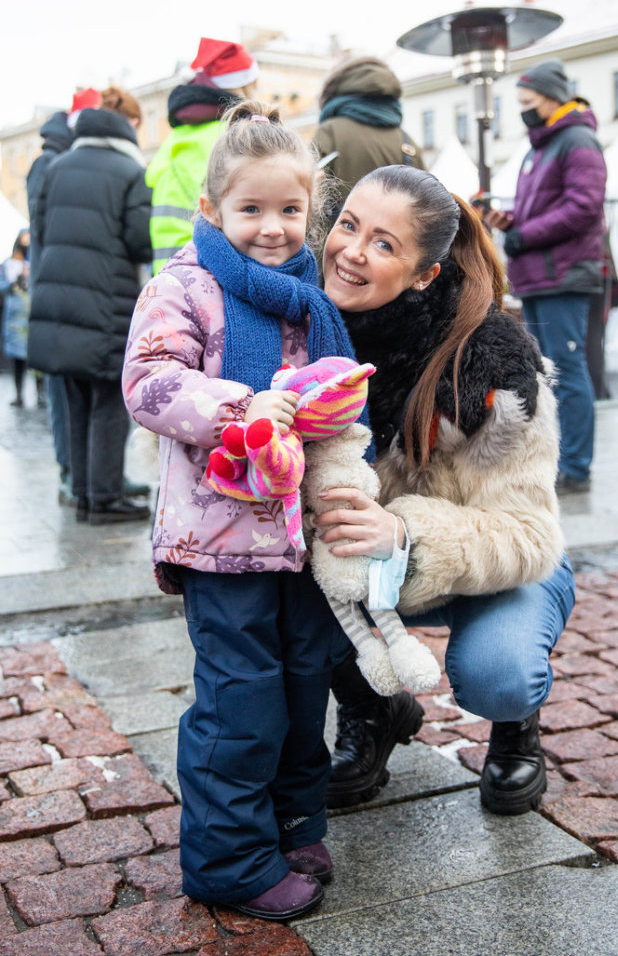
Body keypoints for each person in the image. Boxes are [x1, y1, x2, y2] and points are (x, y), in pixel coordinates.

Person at [122, 101, 364, 921]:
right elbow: (150, 382)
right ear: (211, 209)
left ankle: (291, 823)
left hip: (297, 538)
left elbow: (328, 400)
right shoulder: (182, 286)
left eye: (289, 210)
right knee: (241, 697)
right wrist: (244, 408)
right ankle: (227, 857)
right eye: (251, 209)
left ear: (311, 212)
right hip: (218, 538)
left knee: (305, 685)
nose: (271, 227)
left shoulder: (309, 296)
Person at [317, 164, 574, 818]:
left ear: (425, 272)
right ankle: (374, 709)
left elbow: (530, 534)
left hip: (500, 561)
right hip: (365, 567)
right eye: (349, 225)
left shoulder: (493, 361)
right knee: (278, 594)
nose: (351, 250)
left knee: (497, 670)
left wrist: (406, 530)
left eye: (383, 243)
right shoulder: (307, 332)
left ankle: (516, 724)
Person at [28, 86, 152, 525]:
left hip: (57, 300)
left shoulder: (56, 166)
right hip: (106, 302)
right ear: (126, 129)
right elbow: (141, 241)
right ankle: (105, 498)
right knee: (108, 401)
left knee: (77, 396)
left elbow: (40, 229)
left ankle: (82, 492)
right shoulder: (130, 170)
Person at [485, 58, 607, 495]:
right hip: (540, 276)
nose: (522, 109)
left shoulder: (577, 140)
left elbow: (584, 205)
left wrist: (523, 236)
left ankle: (576, 466)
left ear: (553, 97)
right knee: (551, 371)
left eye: (527, 101)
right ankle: (560, 459)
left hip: (564, 275)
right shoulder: (541, 146)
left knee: (569, 370)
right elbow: (548, 208)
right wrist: (511, 221)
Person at [26, 88, 99, 501]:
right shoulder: (49, 164)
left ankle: (84, 474)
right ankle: (69, 472)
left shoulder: (58, 160)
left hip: (69, 291)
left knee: (76, 392)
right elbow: (46, 235)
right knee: (63, 392)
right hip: (55, 294)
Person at [146, 37, 258, 273]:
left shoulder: (173, 140)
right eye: (254, 86)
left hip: (167, 275)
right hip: (211, 271)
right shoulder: (235, 135)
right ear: (244, 87)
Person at [312, 56, 424, 228]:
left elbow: (307, 193)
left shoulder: (330, 131)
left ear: (334, 88)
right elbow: (427, 208)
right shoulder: (408, 143)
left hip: (336, 250)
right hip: (392, 251)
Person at [1, 229, 37, 407]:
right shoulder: (8, 264)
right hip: (15, 318)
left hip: (32, 316)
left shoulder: (35, 263)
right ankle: (19, 393)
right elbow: (2, 286)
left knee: (37, 359)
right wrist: (12, 283)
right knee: (17, 360)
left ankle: (41, 394)